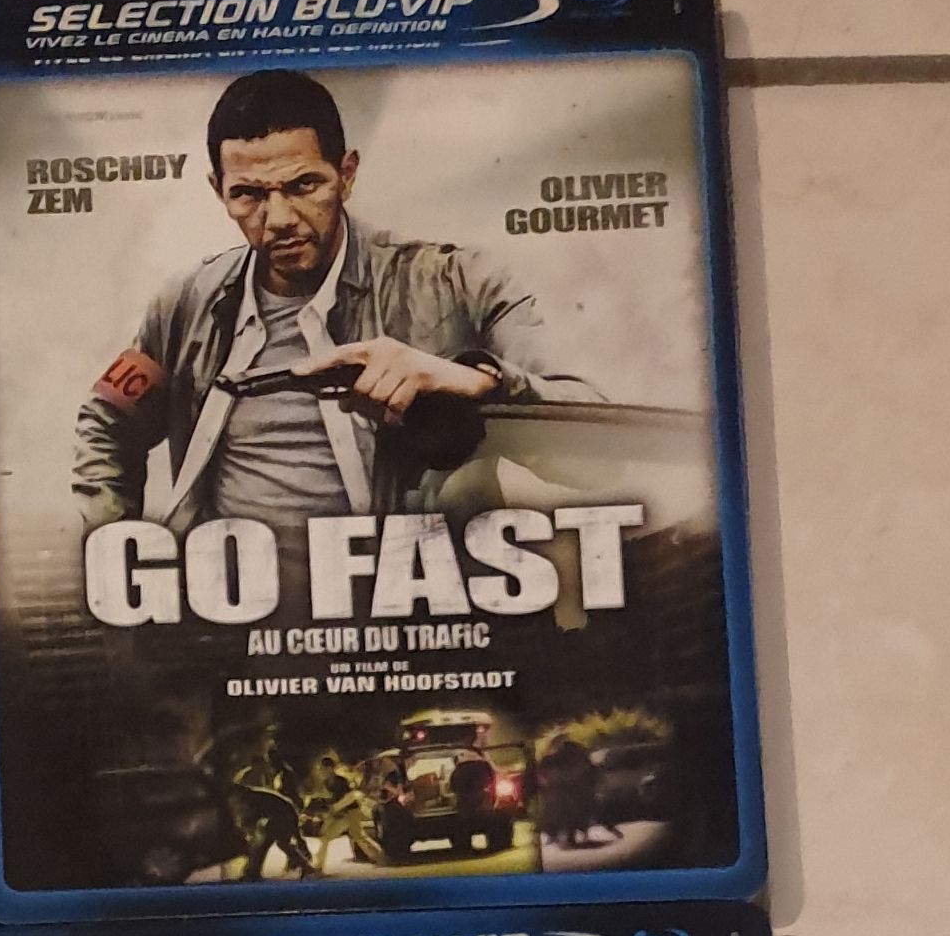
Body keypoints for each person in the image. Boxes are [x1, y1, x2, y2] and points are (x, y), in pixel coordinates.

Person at [73, 65, 591, 566]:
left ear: (346, 175)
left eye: (303, 185)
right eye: (248, 194)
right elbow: (107, 421)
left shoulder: (460, 282)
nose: (279, 219)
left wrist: (474, 381)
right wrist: (120, 560)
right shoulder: (185, 304)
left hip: (406, 601)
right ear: (219, 191)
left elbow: (595, 442)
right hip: (233, 609)